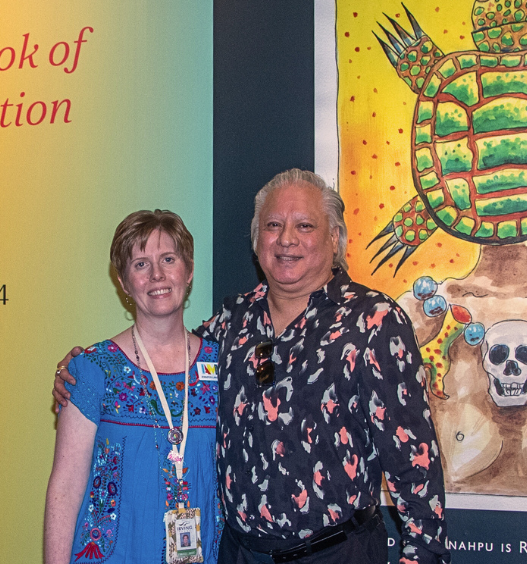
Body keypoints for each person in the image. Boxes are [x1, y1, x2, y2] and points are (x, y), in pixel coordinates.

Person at [57, 170, 450, 564]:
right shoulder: (232, 321)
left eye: (305, 225)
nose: (286, 239)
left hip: (336, 553)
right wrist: (87, 372)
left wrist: (422, 555)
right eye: (273, 225)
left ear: (334, 237)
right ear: (257, 240)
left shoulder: (374, 322)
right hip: (239, 553)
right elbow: (164, 353)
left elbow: (414, 459)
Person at [44, 210, 223, 564]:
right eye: (141, 264)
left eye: (168, 259)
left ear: (188, 271)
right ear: (124, 282)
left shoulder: (223, 367)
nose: (157, 274)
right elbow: (64, 490)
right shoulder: (92, 370)